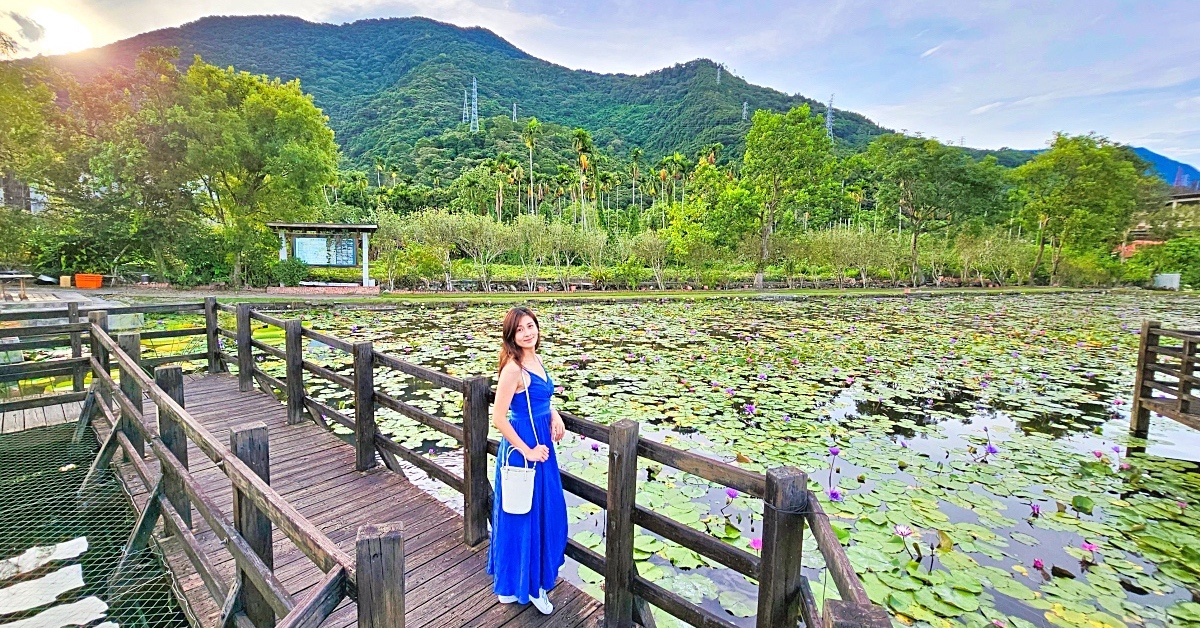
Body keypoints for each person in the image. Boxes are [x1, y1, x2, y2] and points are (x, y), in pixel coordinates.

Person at [486, 306, 567, 614]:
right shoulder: (512, 369)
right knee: (522, 516)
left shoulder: (537, 358)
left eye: (530, 326)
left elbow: (540, 397)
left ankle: (522, 581)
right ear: (511, 335)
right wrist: (527, 450)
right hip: (524, 450)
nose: (527, 333)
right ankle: (528, 586)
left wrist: (555, 414)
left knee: (547, 513)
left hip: (542, 444)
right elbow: (498, 418)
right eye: (520, 329)